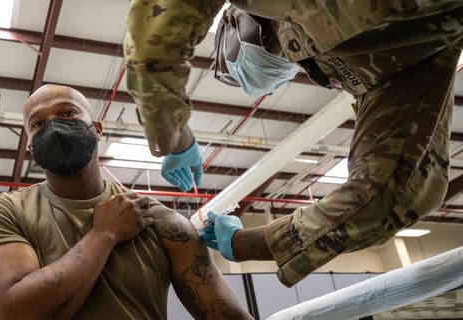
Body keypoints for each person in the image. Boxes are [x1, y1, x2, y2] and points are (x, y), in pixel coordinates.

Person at [124, 1, 463, 286]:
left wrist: (174, 137)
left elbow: (156, 34)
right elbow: (388, 196)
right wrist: (241, 243)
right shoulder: (398, 67)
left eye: (273, 44)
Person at [0, 84, 252, 319]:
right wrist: (104, 234)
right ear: (30, 148)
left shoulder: (159, 220)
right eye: (38, 123)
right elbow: (10, 312)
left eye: (68, 112)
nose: (54, 126)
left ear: (97, 129)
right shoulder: (1, 212)